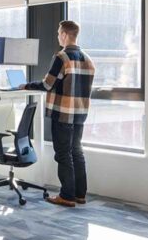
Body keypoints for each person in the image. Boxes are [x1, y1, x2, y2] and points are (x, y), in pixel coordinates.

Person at [24, 20, 95, 207]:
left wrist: (26, 85)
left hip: (63, 113)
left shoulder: (61, 57)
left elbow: (47, 84)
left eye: (58, 33)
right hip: (80, 113)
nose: (57, 36)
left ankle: (67, 196)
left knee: (63, 154)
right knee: (76, 151)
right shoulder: (88, 59)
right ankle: (80, 194)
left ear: (64, 35)